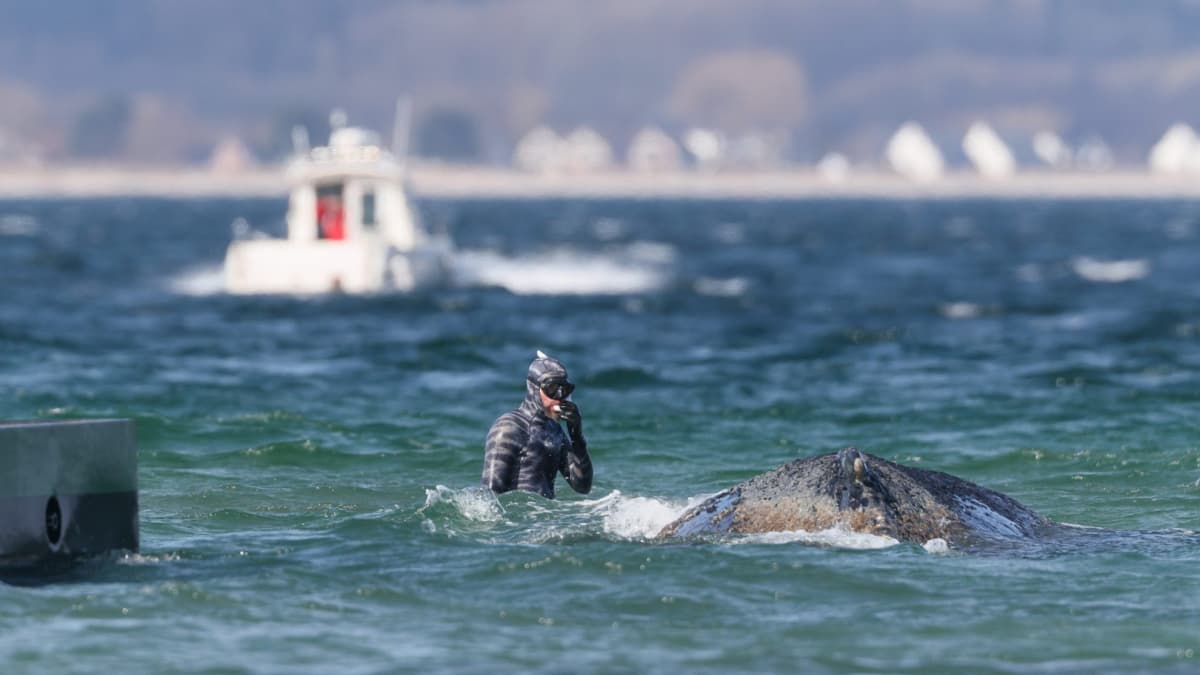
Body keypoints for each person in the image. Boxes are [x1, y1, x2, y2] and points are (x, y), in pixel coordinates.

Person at [481, 351, 592, 499]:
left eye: (565, 389)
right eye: (552, 389)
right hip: (517, 513)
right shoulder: (509, 427)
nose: (560, 396)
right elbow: (489, 494)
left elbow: (583, 487)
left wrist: (576, 434)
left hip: (545, 513)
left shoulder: (555, 431)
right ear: (534, 388)